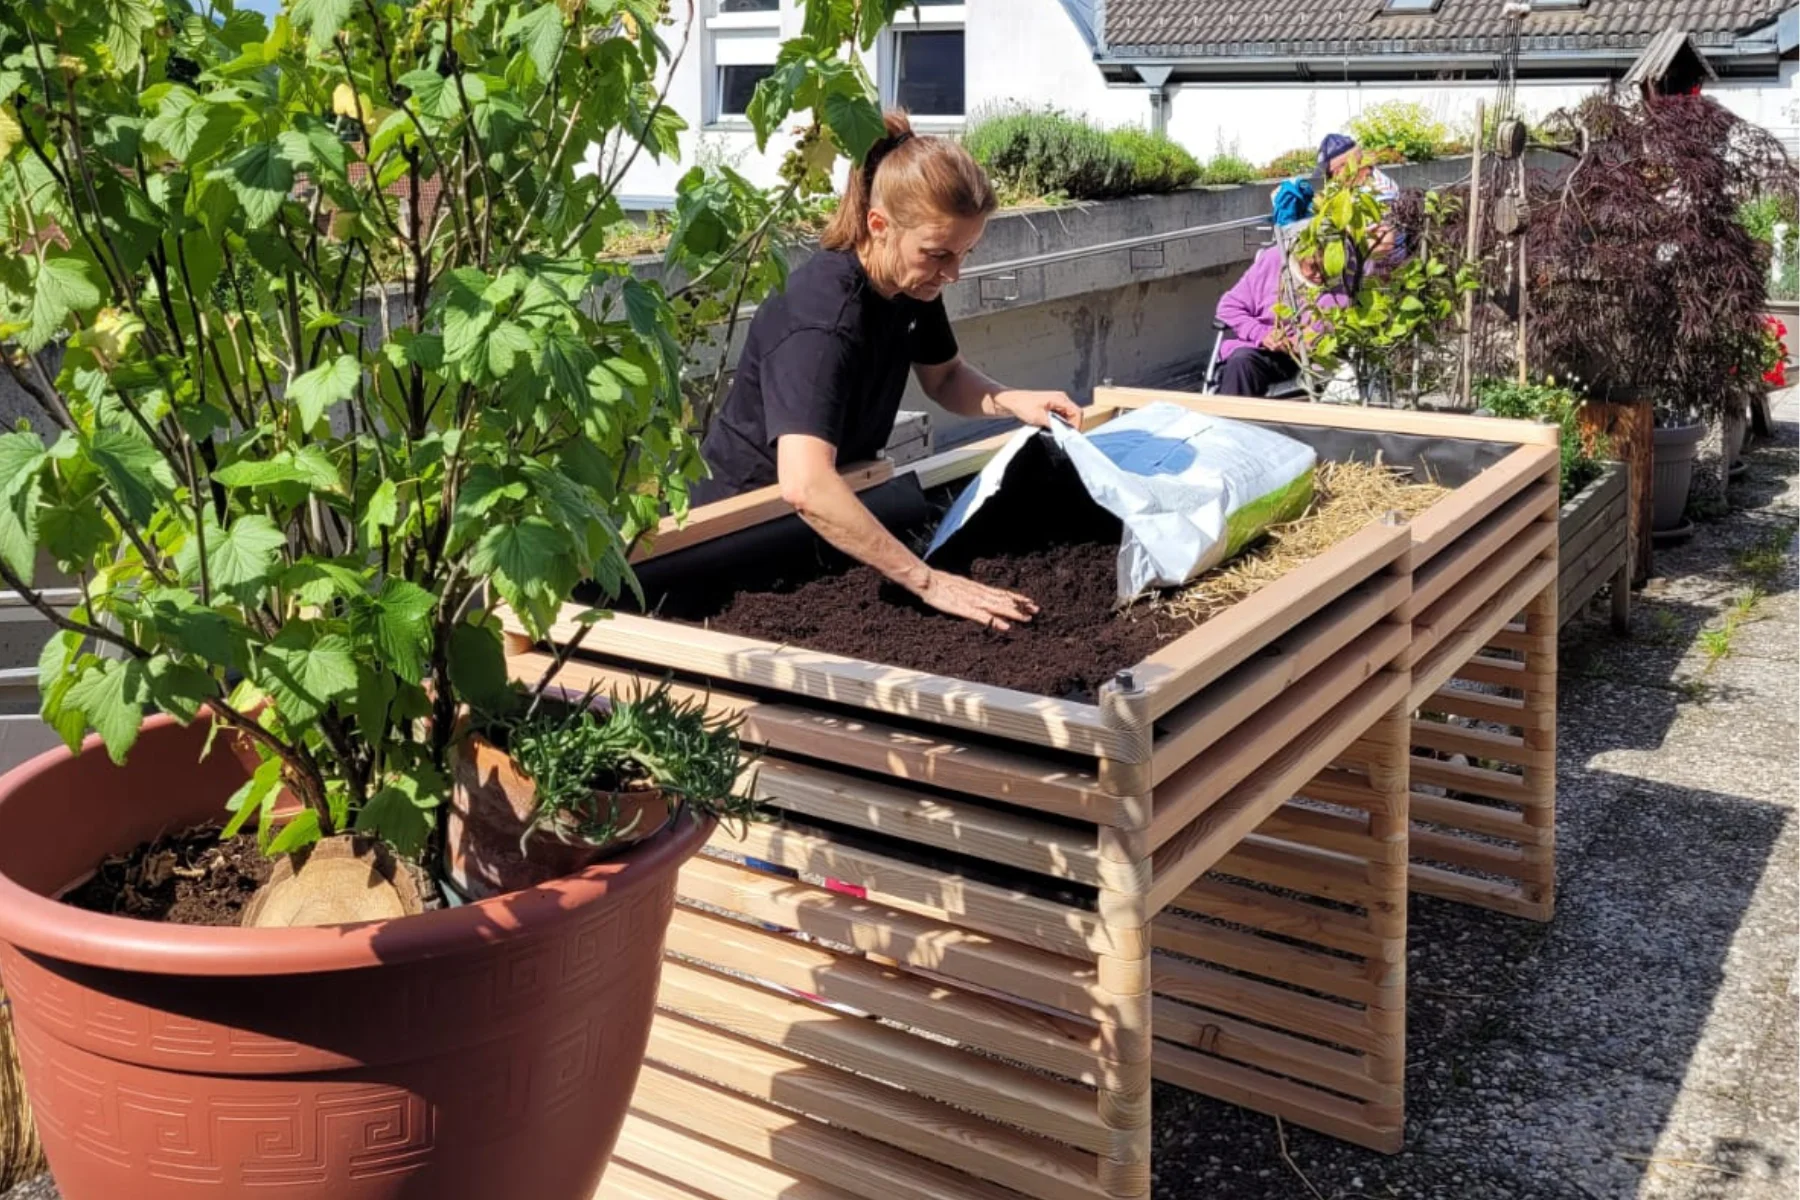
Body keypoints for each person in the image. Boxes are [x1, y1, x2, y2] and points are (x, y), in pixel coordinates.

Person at [691, 111, 1081, 631]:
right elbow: (806, 484)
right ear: (879, 225)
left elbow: (945, 378)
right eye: (939, 254)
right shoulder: (822, 321)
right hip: (732, 539)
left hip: (824, 519)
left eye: (965, 253)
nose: (953, 273)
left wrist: (1014, 402)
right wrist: (928, 581)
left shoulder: (911, 285)